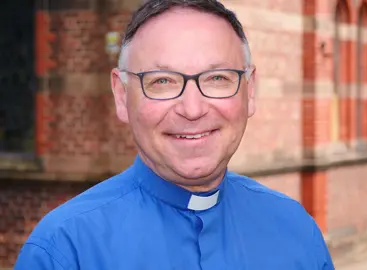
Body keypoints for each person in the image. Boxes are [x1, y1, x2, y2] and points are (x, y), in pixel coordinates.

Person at [14, 0, 335, 269]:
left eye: (217, 78)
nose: (192, 109)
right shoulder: (64, 251)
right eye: (162, 81)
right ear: (122, 96)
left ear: (250, 91)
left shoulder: (296, 229)